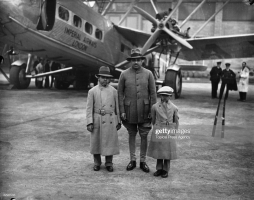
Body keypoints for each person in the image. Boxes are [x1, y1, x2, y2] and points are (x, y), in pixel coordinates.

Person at [118, 48, 157, 173]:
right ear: (130, 61)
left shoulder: (149, 74)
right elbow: (120, 94)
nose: (136, 62)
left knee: (144, 135)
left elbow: (153, 93)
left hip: (145, 111)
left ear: (142, 61)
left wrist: (152, 110)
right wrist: (122, 110)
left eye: (138, 60)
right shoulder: (124, 74)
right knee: (131, 134)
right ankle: (132, 160)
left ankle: (143, 161)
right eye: (133, 60)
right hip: (129, 111)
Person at [86, 66, 121, 172]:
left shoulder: (114, 91)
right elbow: (89, 108)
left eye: (107, 77)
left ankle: (109, 163)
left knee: (109, 142)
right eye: (103, 77)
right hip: (97, 119)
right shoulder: (92, 91)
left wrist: (118, 120)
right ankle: (97, 162)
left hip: (110, 120)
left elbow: (117, 108)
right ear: (98, 78)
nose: (105, 79)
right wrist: (89, 122)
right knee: (96, 142)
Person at [147, 86, 178, 178]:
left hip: (169, 130)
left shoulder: (174, 108)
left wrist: (174, 131)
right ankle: (159, 168)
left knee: (167, 152)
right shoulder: (155, 107)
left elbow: (175, 121)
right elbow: (153, 119)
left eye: (167, 96)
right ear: (160, 95)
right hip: (159, 129)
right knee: (159, 150)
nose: (164, 98)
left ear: (170, 96)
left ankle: (165, 170)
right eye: (163, 95)